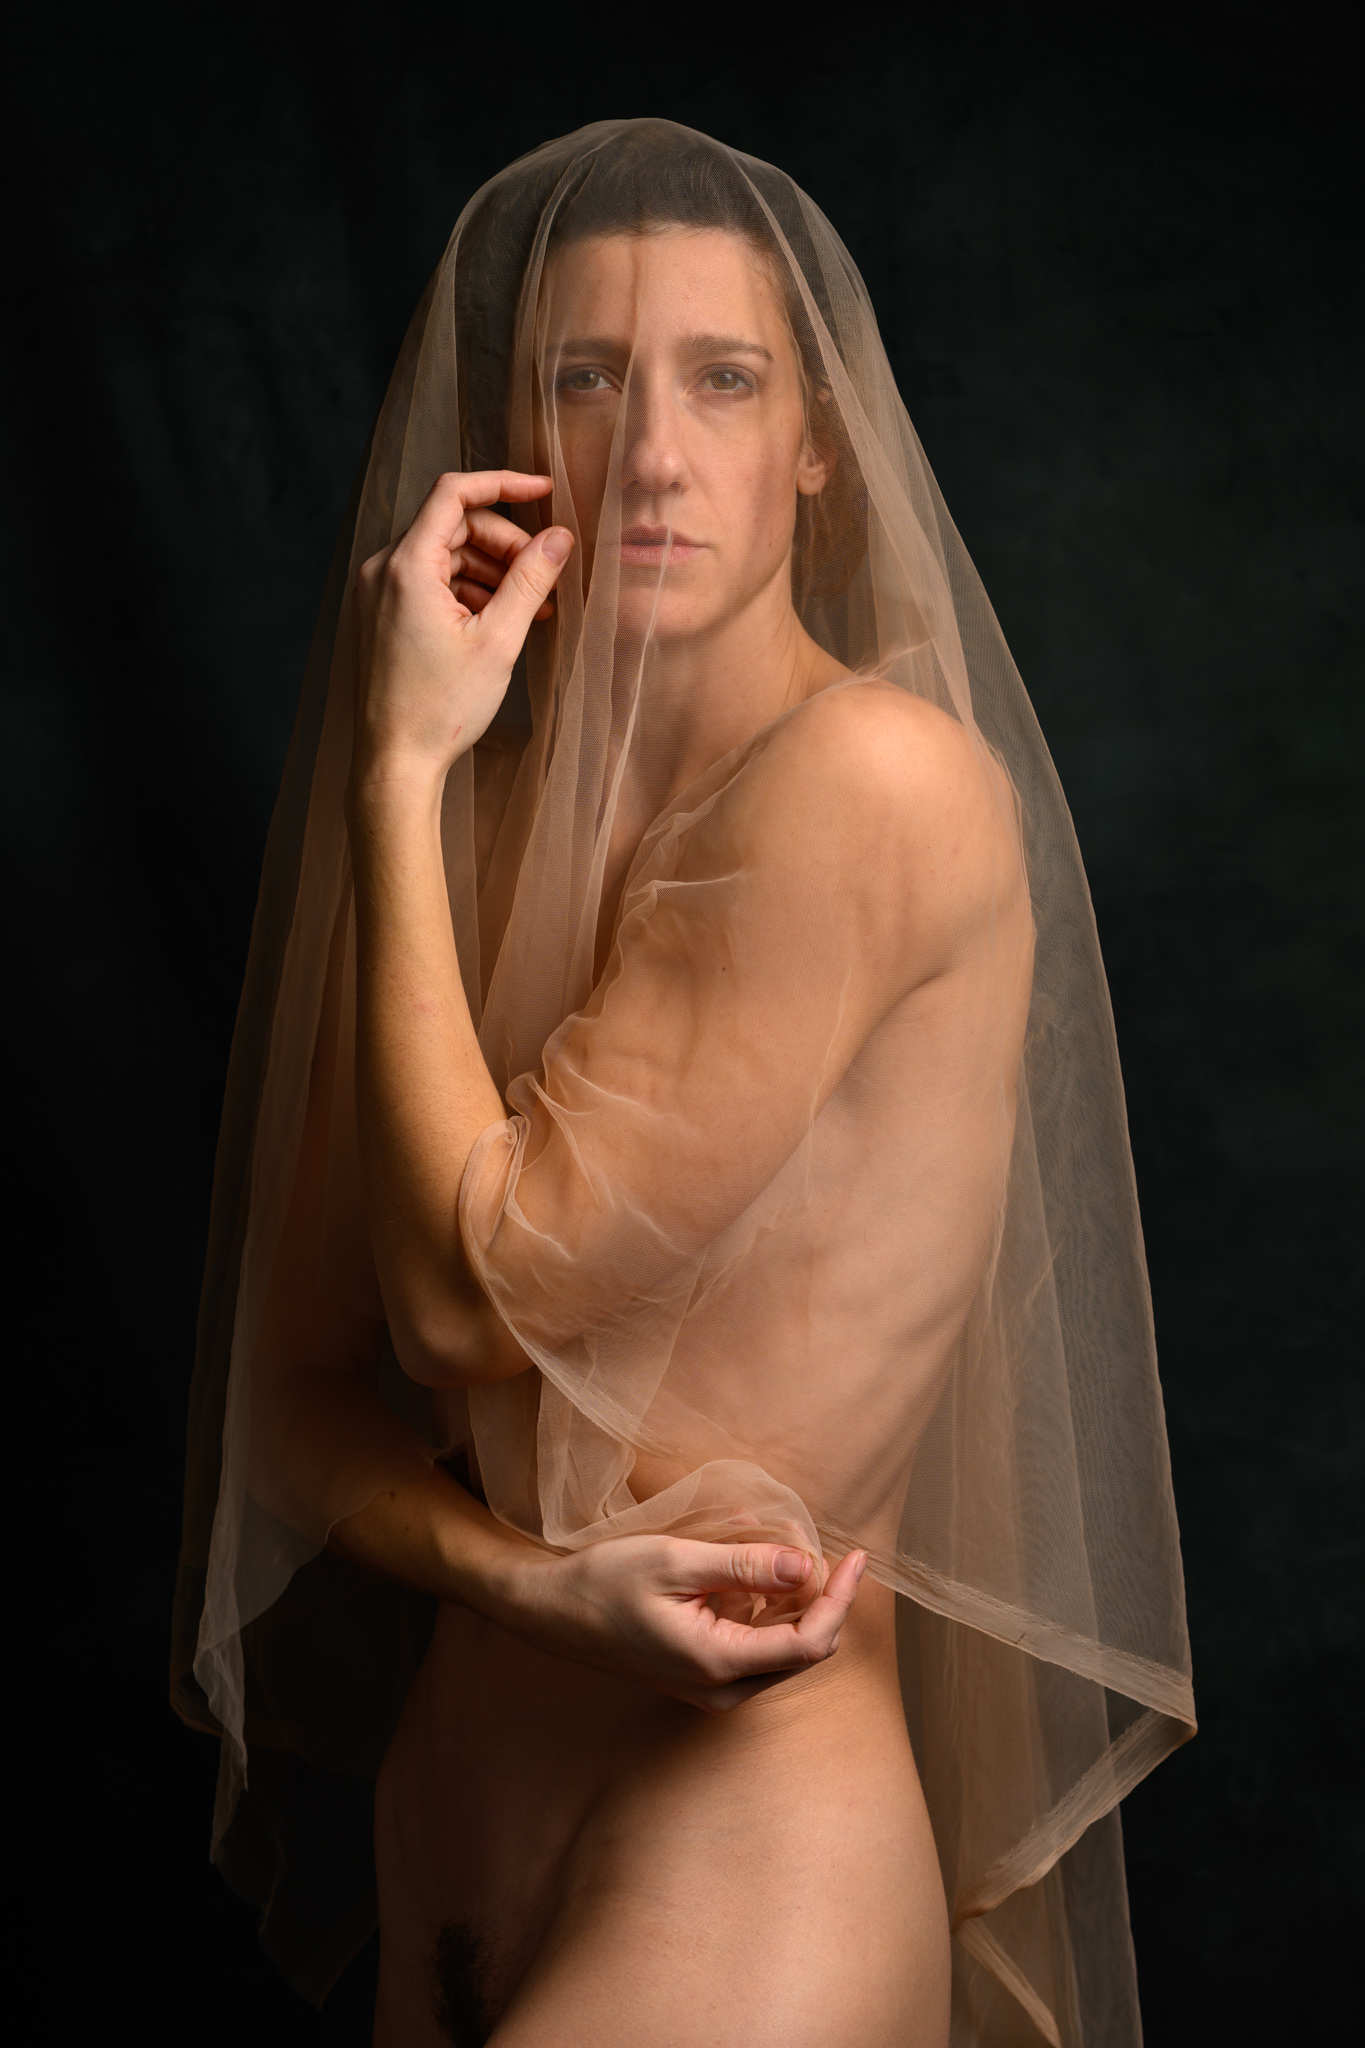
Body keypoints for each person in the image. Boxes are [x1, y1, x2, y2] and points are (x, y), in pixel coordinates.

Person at [172, 121, 1194, 2048]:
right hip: (453, 1824)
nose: (649, 452)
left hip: (740, 1844)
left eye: (723, 380)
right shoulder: (466, 829)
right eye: (586, 378)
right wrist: (527, 1590)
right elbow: (291, 1402)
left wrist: (391, 765)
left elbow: (458, 1307)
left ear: (817, 443)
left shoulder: (870, 784)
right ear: (513, 437)